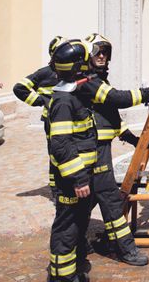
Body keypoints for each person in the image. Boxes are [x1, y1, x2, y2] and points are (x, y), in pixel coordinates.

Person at [79, 33, 149, 266]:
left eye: (105, 52)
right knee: (109, 199)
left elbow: (109, 113)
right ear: (88, 54)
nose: (102, 56)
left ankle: (78, 243)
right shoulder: (88, 82)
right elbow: (116, 99)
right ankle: (125, 249)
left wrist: (130, 137)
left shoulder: (97, 80)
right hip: (94, 149)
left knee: (86, 202)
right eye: (98, 51)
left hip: (98, 148)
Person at [46, 39, 98, 281]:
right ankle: (62, 276)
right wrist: (78, 179)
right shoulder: (64, 102)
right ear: (78, 68)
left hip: (81, 176)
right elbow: (61, 144)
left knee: (78, 223)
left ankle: (74, 269)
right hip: (72, 180)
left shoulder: (73, 95)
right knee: (67, 227)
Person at [13, 35, 65, 193]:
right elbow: (19, 87)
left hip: (69, 119)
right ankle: (55, 187)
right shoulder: (44, 73)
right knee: (55, 152)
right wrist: (40, 100)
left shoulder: (72, 72)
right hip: (51, 120)